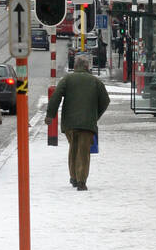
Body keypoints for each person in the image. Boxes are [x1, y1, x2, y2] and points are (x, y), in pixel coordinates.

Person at [45, 55, 110, 190]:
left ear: (75, 66)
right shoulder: (95, 81)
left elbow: (55, 97)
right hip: (87, 123)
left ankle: (73, 177)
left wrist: (50, 115)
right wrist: (95, 115)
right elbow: (105, 101)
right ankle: (81, 181)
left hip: (69, 123)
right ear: (87, 67)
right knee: (84, 151)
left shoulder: (67, 79)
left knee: (73, 148)